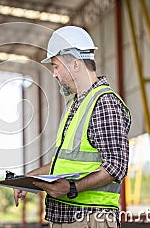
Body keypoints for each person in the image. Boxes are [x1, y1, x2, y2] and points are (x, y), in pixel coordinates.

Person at [14, 26, 131, 228]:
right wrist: (29, 178)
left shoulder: (104, 103)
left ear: (75, 64)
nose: (54, 74)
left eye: (56, 66)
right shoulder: (74, 105)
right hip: (65, 217)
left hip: (90, 218)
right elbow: (64, 164)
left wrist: (72, 187)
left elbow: (116, 166)